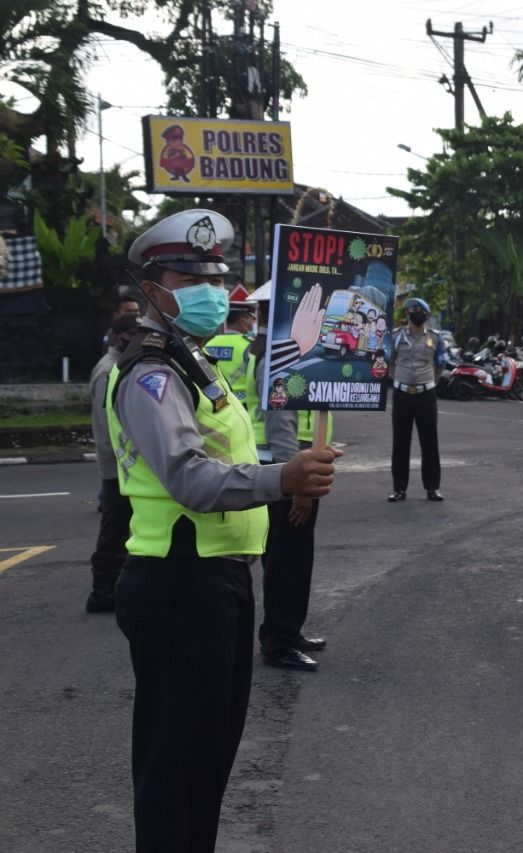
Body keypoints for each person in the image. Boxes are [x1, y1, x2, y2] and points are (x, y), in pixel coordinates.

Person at [108, 208, 340, 853]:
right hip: (177, 582)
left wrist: (287, 470)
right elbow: (187, 476)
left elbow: (229, 456)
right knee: (174, 766)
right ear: (153, 289)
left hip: (217, 578)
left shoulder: (193, 360)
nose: (211, 293)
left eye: (215, 278)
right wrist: (280, 481)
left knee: (207, 762)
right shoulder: (151, 372)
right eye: (190, 280)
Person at [247, 281, 330, 671]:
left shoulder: (282, 353)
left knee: (294, 560)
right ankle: (279, 642)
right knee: (285, 562)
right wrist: (297, 487)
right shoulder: (276, 361)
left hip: (294, 468)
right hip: (285, 471)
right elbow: (282, 425)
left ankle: (288, 630)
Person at [86, 313, 141, 613]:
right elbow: (106, 426)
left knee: (121, 527)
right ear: (121, 337)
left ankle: (111, 585)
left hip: (122, 464)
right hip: (116, 466)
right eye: (136, 333)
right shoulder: (108, 371)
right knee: (114, 529)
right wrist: (122, 463)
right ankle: (102, 591)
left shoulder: (118, 366)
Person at [387, 297, 446, 502]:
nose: (416, 314)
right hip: (402, 394)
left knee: (429, 442)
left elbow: (440, 364)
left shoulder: (436, 338)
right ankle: (399, 488)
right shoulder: (395, 336)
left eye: (420, 311)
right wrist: (399, 379)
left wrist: (429, 382)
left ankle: (432, 488)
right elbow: (390, 362)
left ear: (427, 315)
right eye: (413, 311)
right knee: (400, 442)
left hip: (426, 394)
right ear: (407, 314)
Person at [203, 307, 257, 405]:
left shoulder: (209, 344)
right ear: (241, 322)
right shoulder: (250, 345)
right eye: (251, 320)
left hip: (218, 400)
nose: (253, 324)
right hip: (244, 403)